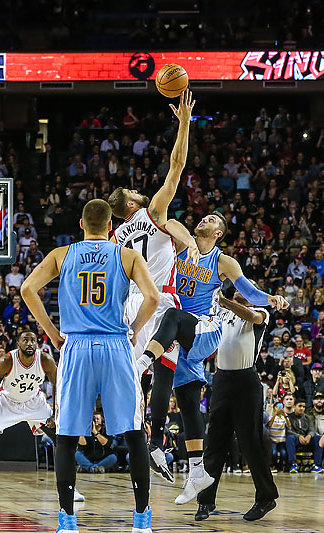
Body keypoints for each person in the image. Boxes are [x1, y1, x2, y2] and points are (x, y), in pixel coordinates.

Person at [20, 198, 160, 533]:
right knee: (133, 432)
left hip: (77, 347)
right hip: (116, 346)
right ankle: (142, 519)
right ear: (111, 227)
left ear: (81, 225)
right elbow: (153, 298)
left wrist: (53, 334)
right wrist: (135, 329)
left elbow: (27, 290)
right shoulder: (126, 255)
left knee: (67, 435)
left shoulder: (62, 254)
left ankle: (67, 522)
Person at [133, 212, 288, 504]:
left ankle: (140, 364)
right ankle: (193, 470)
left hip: (204, 329)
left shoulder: (222, 261)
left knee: (170, 318)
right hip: (178, 334)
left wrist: (271, 298)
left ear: (219, 233)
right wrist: (189, 240)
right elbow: (166, 222)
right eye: (204, 217)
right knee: (187, 400)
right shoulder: (180, 248)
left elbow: (250, 292)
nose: (205, 219)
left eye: (212, 219)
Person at [107, 90, 200, 483]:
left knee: (158, 376)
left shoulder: (114, 239)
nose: (136, 191)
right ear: (130, 205)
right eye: (131, 193)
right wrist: (183, 124)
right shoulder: (152, 211)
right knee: (165, 366)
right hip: (159, 299)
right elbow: (177, 166)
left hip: (131, 306)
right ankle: (156, 440)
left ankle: (156, 443)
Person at [194, 288, 279, 522]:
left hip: (246, 381)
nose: (244, 289)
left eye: (249, 287)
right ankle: (205, 501)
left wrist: (223, 301)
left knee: (250, 442)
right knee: (214, 443)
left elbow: (251, 317)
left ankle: (266, 497)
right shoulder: (221, 311)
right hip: (221, 380)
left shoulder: (260, 312)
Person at [0, 331, 84, 501]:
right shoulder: (6, 360)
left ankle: (69, 488)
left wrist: (56, 415)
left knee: (60, 437)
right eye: (25, 340)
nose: (29, 343)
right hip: (9, 401)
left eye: (33, 340)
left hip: (34, 402)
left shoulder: (45, 359)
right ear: (18, 344)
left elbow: (58, 385)